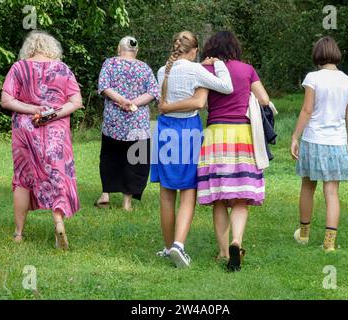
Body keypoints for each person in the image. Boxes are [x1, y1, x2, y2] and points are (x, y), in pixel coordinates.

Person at [162, 31, 270, 271]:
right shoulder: (247, 69)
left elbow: (196, 97)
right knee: (241, 197)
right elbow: (264, 99)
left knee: (220, 198)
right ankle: (236, 241)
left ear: (211, 49)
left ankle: (223, 253)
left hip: (215, 136)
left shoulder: (205, 70)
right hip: (242, 135)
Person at [152, 30, 234, 268]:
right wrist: (216, 64)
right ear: (195, 50)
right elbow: (226, 87)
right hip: (187, 129)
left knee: (167, 193)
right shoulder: (196, 70)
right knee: (188, 191)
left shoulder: (162, 70)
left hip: (165, 129)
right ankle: (179, 245)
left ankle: (168, 248)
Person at [0, 30, 83, 250]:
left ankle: (18, 234)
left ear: (29, 49)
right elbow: (76, 101)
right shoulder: (62, 69)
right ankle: (58, 223)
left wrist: (32, 108)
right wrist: (52, 113)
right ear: (51, 48)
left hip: (25, 129)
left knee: (23, 178)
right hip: (55, 130)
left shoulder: (19, 68)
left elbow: (6, 100)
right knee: (56, 174)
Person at [291, 36, 348, 253]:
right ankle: (329, 243)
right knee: (332, 193)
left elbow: (307, 110)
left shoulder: (313, 78)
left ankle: (303, 234)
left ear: (317, 56)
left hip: (313, 140)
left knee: (308, 187)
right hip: (337, 142)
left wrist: (294, 136)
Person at [96, 36, 160, 211]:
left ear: (119, 48)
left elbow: (104, 86)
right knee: (135, 161)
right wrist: (133, 103)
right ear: (136, 51)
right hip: (137, 123)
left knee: (109, 157)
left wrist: (122, 100)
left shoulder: (110, 64)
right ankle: (127, 203)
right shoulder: (144, 67)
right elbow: (154, 92)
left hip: (113, 122)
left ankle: (105, 195)